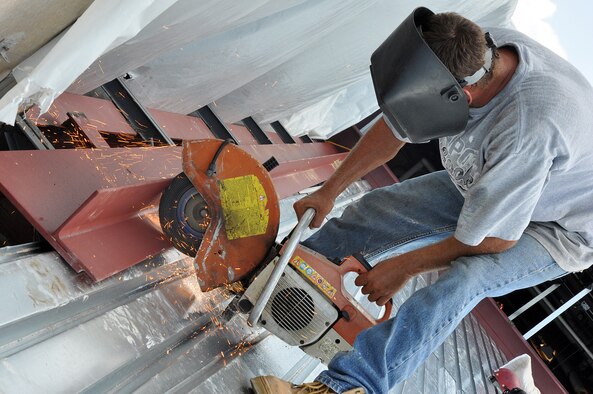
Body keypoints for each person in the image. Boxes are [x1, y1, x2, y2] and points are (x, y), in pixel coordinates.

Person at [251, 6, 593, 394]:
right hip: (504, 178)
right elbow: (399, 124)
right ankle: (274, 278)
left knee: (465, 280)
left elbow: (491, 240)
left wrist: (404, 266)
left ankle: (349, 387)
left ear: (460, 95)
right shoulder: (471, 47)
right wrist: (330, 189)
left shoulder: (527, 130)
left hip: (562, 228)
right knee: (378, 210)